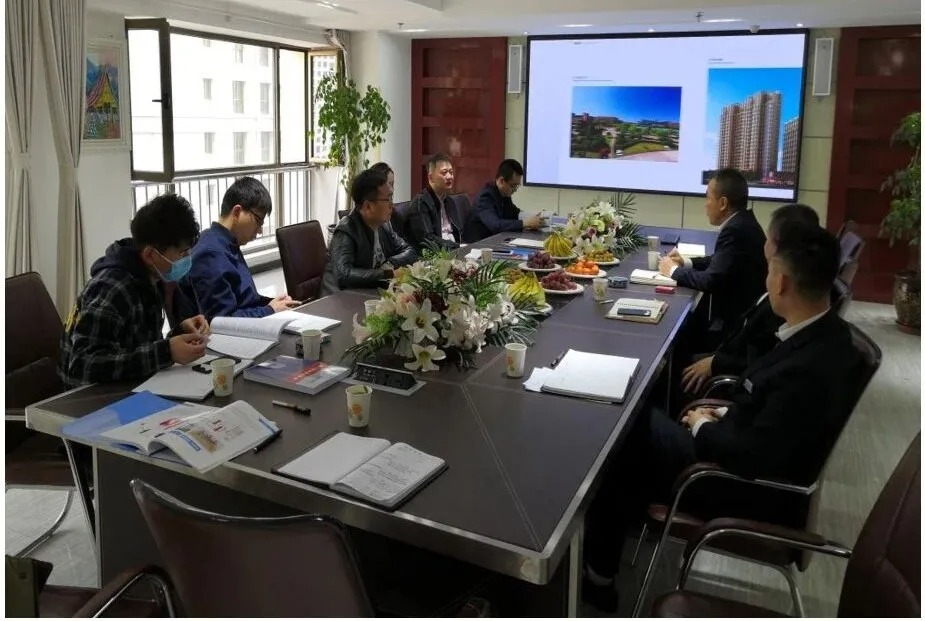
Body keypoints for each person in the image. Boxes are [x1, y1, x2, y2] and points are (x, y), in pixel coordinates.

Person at [583, 222, 860, 611]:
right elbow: (774, 416)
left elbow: (752, 455)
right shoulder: (824, 336)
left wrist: (702, 426)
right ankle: (612, 538)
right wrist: (726, 409)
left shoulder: (808, 367)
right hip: (739, 447)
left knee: (624, 431)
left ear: (781, 282)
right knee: (638, 420)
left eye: (769, 271)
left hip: (740, 486)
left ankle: (598, 578)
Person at [59, 194, 210, 388]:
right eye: (182, 253)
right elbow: (84, 365)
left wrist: (179, 333)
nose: (188, 258)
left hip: (130, 384)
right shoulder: (112, 287)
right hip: (90, 397)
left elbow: (135, 349)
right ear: (150, 254)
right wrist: (167, 352)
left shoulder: (151, 276)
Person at [679, 203, 820, 395]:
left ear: (778, 244)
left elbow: (758, 358)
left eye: (769, 237)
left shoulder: (782, 301)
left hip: (730, 376)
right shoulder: (789, 287)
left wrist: (714, 362)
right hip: (729, 350)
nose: (764, 242)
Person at [658, 168, 767, 348]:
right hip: (737, 322)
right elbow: (721, 261)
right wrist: (686, 262)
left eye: (708, 198)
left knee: (679, 338)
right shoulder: (742, 222)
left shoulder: (736, 230)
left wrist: (673, 271)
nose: (705, 205)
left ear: (723, 203)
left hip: (734, 333)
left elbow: (711, 280)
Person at [179, 177, 300, 321]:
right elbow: (222, 321)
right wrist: (270, 310)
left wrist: (274, 304)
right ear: (237, 212)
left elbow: (247, 301)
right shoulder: (210, 254)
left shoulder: (226, 242)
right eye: (258, 221)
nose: (260, 230)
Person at [322, 169, 417, 295]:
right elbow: (344, 275)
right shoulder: (346, 231)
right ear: (368, 206)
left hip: (369, 294)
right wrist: (387, 274)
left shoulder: (383, 226)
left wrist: (390, 263)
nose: (392, 205)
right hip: (340, 299)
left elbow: (410, 251)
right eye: (388, 199)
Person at [462, 159, 542, 243]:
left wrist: (535, 217)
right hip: (477, 244)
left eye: (517, 186)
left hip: (495, 239)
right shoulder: (485, 197)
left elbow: (514, 213)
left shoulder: (504, 194)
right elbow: (495, 225)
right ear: (501, 181)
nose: (515, 190)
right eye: (513, 185)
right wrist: (525, 223)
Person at [404, 153, 463, 251]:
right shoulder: (421, 203)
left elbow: (459, 232)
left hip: (456, 250)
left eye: (451, 172)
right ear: (430, 178)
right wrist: (457, 247)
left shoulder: (450, 201)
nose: (449, 176)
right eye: (444, 173)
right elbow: (428, 240)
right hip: (436, 255)